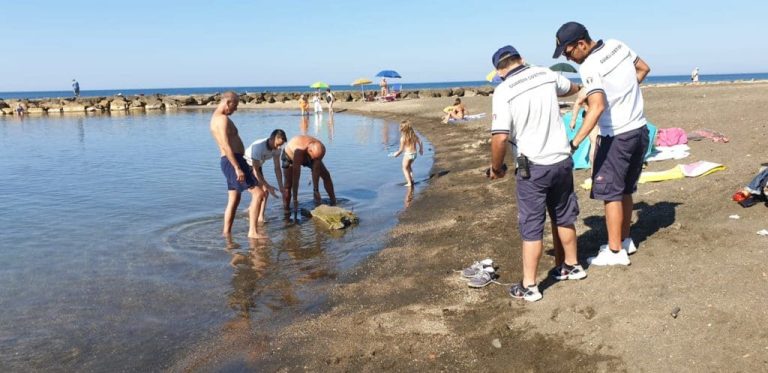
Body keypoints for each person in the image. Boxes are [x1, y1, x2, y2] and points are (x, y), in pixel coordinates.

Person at [488, 45, 582, 302]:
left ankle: (529, 286)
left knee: (532, 225)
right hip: (562, 160)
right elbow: (572, 88)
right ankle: (572, 265)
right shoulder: (545, 73)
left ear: (499, 71)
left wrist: (496, 169)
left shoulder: (503, 90)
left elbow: (499, 138)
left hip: (534, 167)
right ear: (522, 59)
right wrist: (581, 91)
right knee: (564, 215)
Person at [553, 21, 651, 266]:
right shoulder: (617, 45)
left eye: (568, 51)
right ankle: (626, 240)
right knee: (626, 189)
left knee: (611, 193)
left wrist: (574, 143)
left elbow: (597, 107)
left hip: (616, 136)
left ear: (581, 44)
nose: (568, 56)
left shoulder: (590, 66)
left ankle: (615, 251)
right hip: (639, 129)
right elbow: (643, 69)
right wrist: (624, 95)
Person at [209, 91, 266, 239]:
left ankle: (226, 233)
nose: (236, 109)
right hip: (232, 160)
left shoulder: (217, 118)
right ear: (228, 102)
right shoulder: (221, 120)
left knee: (234, 199)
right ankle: (252, 232)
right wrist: (237, 167)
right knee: (259, 193)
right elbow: (225, 145)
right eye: (235, 105)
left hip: (231, 160)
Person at [280, 135, 336, 210]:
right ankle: (286, 209)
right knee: (288, 184)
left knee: (326, 175)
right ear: (309, 150)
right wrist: (295, 199)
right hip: (289, 156)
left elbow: (316, 169)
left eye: (317, 159)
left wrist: (316, 190)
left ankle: (333, 201)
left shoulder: (320, 149)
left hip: (311, 154)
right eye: (314, 158)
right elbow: (296, 177)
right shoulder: (299, 151)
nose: (315, 161)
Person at [244, 129, 288, 223]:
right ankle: (260, 217)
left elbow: (277, 168)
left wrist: (281, 187)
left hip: (257, 166)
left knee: (262, 191)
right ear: (272, 138)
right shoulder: (259, 147)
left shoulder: (277, 149)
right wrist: (267, 186)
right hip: (245, 165)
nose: (278, 147)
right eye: (277, 144)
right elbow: (255, 171)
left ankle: (252, 210)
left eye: (281, 145)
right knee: (264, 191)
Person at [569, 90, 599, 168]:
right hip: (591, 116)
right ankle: (594, 173)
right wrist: (573, 120)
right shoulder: (588, 87)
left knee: (598, 143)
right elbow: (578, 103)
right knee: (594, 143)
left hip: (602, 115)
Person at [391, 120, 424, 186]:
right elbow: (420, 142)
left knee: (404, 168)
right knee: (409, 167)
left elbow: (401, 150)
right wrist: (421, 149)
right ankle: (412, 180)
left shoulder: (403, 138)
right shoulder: (414, 136)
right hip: (414, 154)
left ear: (402, 129)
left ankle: (409, 183)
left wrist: (396, 154)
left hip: (408, 155)